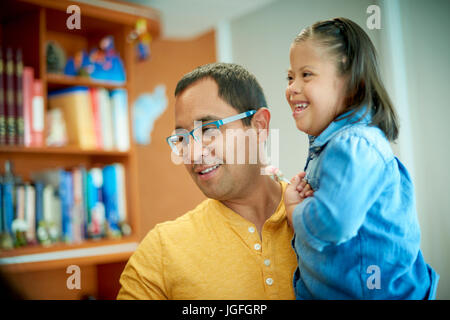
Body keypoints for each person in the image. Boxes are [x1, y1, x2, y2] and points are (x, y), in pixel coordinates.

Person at [283, 17, 439, 299]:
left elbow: (333, 222)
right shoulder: (339, 146)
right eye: (290, 76)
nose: (292, 87)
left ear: (353, 84)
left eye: (306, 75)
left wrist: (297, 212)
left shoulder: (353, 145)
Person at [117, 63, 298, 299]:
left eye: (209, 130)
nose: (192, 153)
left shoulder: (326, 217)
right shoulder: (162, 249)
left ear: (259, 126)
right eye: (182, 137)